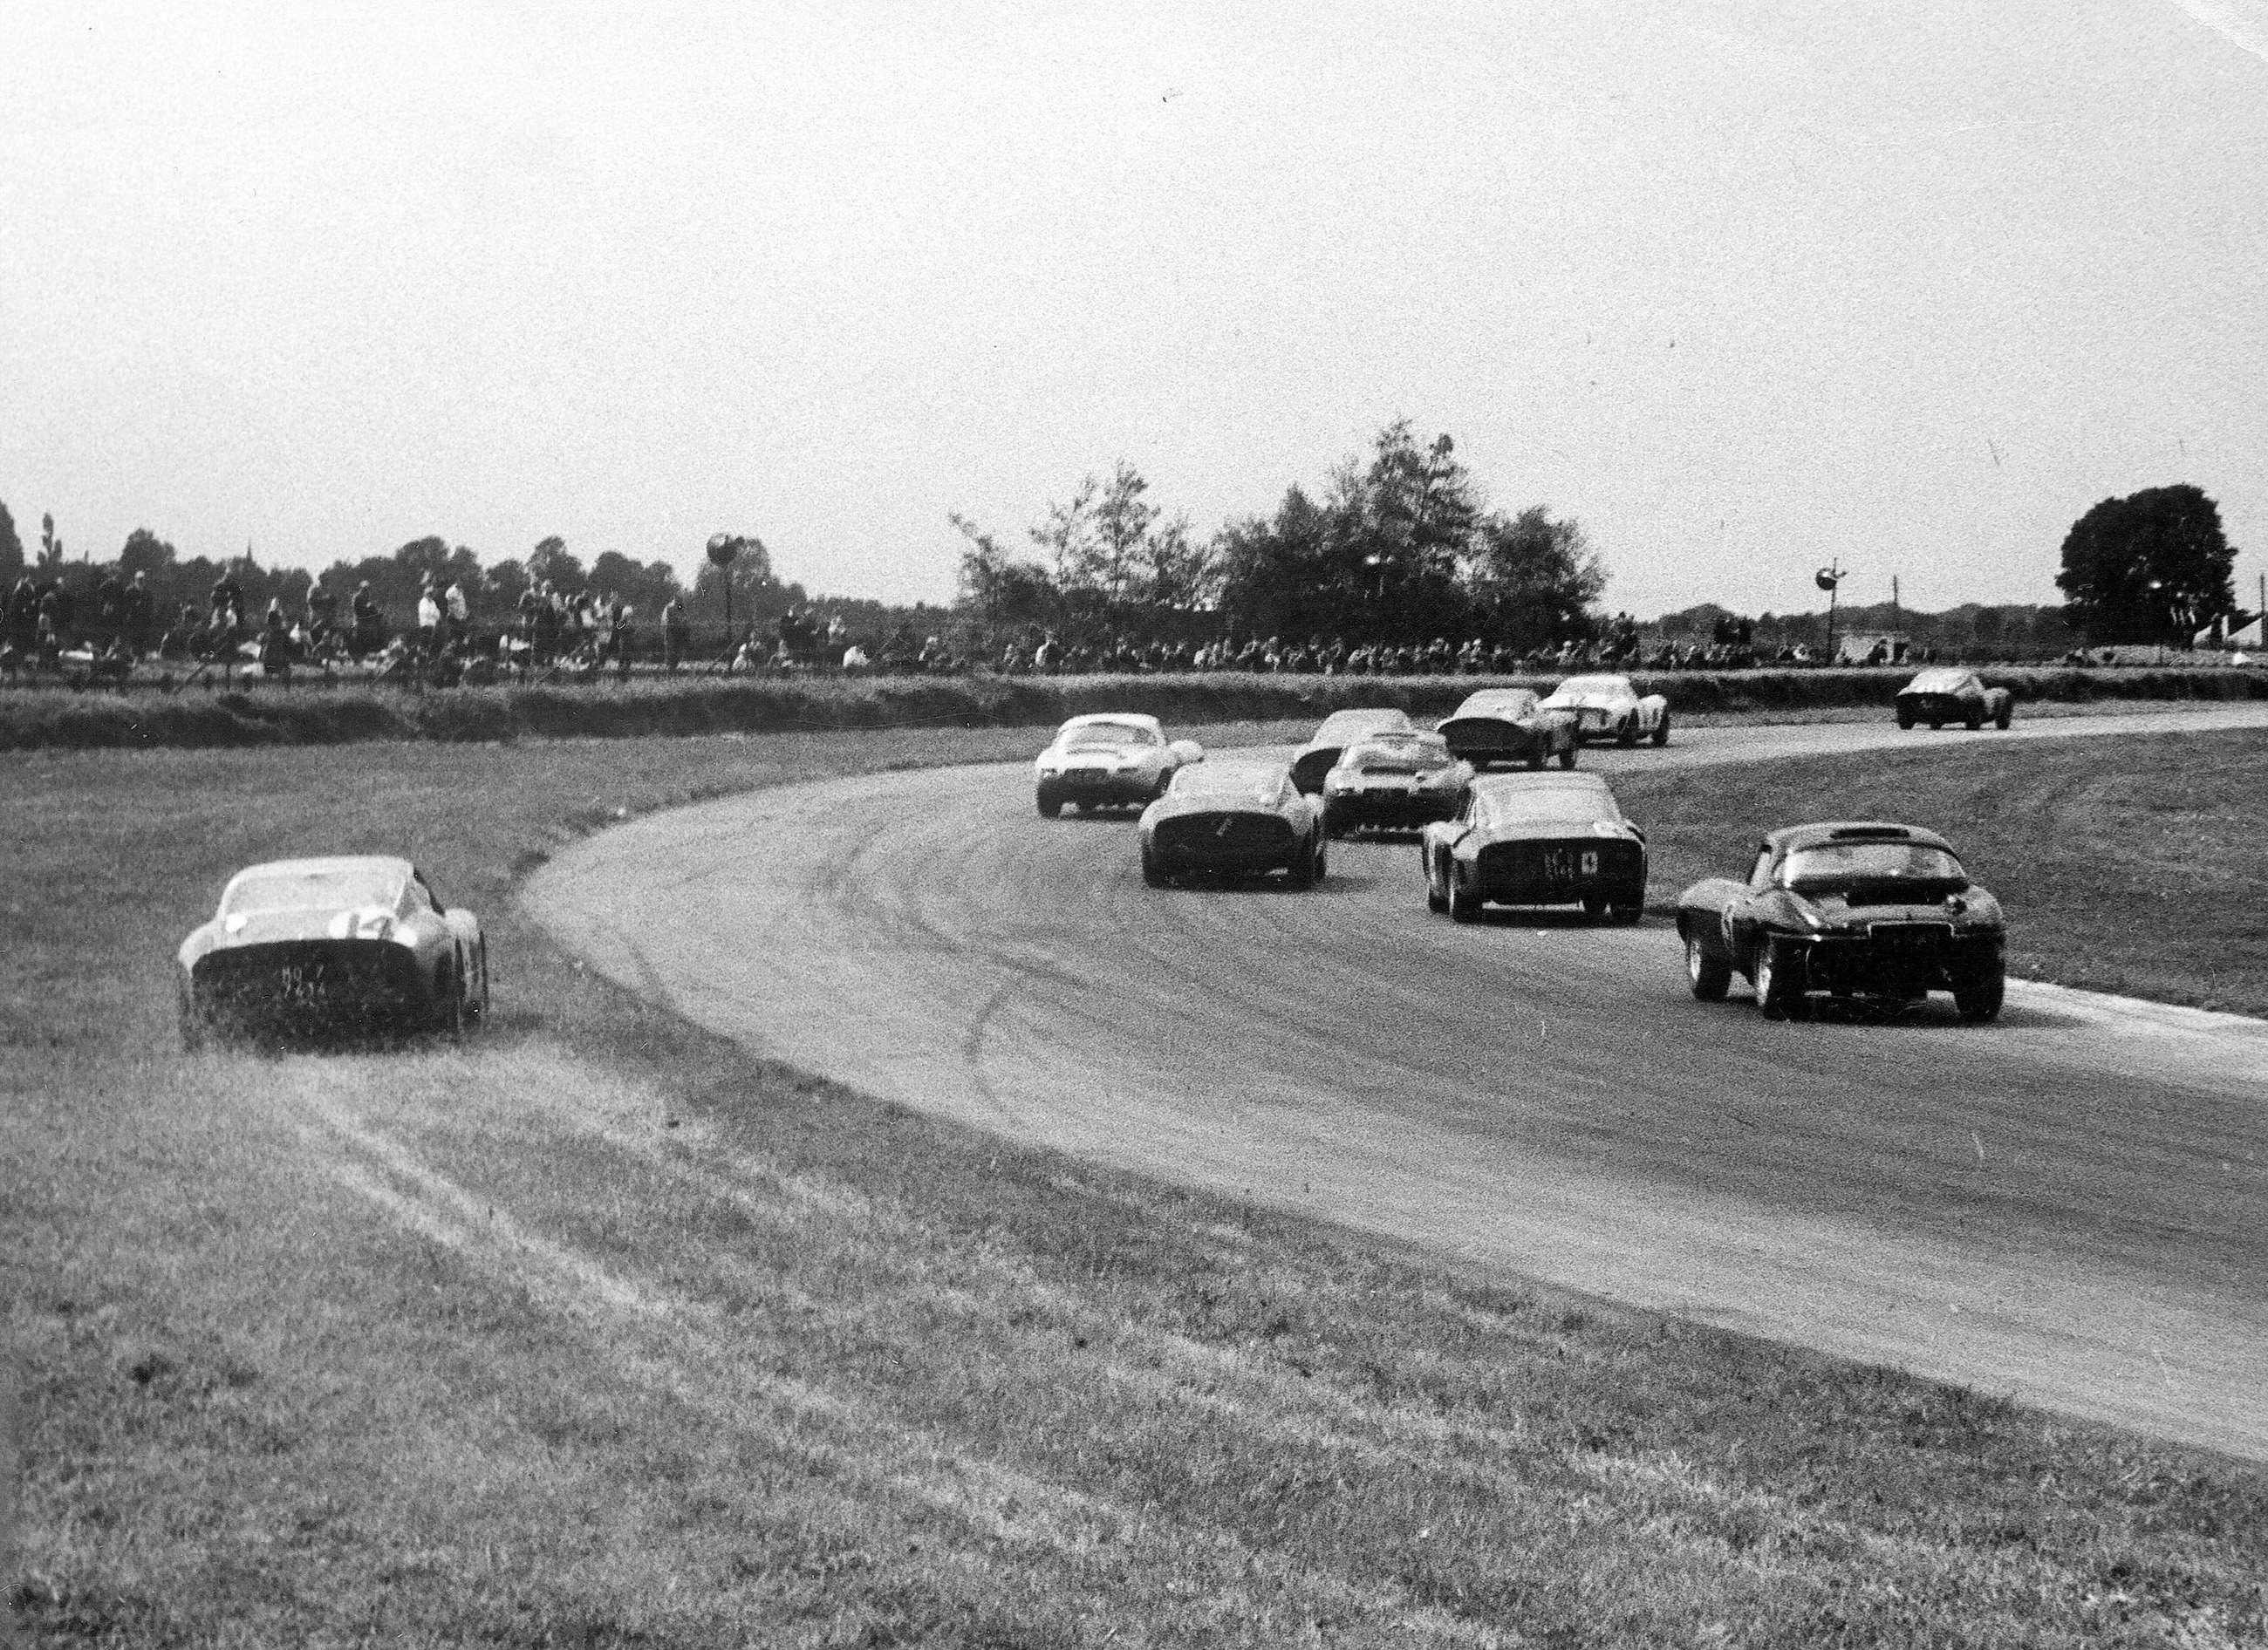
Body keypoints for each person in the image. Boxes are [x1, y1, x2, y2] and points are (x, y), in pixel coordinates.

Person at [659, 595, 688, 672]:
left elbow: (683, 615)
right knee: (671, 649)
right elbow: (667, 619)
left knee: (676, 649)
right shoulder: (670, 607)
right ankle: (670, 667)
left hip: (677, 631)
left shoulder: (679, 607)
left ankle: (673, 666)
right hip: (671, 631)